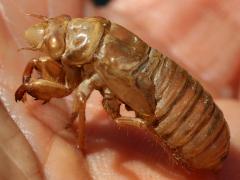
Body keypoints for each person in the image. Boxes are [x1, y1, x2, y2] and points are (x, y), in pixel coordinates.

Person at [0, 0, 239, 179]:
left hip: (195, 129)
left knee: (134, 117)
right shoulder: (102, 40)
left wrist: (81, 145)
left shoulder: (90, 73)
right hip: (183, 93)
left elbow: (74, 94)